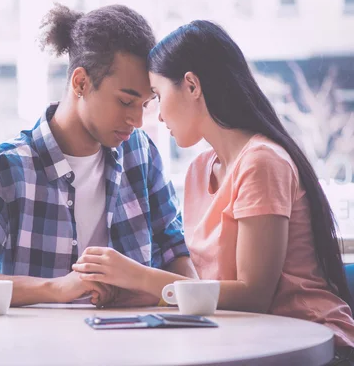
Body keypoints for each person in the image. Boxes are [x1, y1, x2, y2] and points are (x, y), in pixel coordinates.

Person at [72, 20, 354, 361]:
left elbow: (253, 297)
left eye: (159, 97)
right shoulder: (197, 171)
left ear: (191, 85)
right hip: (245, 341)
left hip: (311, 344)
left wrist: (140, 275)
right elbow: (213, 292)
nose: (158, 117)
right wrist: (139, 292)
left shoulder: (261, 162)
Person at [0, 3, 197, 308]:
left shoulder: (142, 155)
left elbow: (177, 255)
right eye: (125, 102)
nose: (136, 121)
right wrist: (56, 288)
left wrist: (152, 291)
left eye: (145, 104)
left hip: (133, 349)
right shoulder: (3, 169)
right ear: (81, 82)